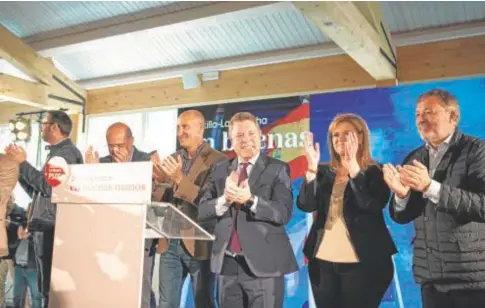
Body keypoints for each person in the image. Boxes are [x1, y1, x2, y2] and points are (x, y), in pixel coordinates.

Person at [383, 89, 485, 308]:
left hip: (473, 282)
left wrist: (430, 186)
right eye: (418, 114)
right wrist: (401, 195)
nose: (421, 119)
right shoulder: (415, 157)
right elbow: (402, 217)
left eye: (429, 112)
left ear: (453, 116)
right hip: (431, 281)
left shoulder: (477, 151)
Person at [198, 112, 298, 308]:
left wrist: (251, 200)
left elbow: (283, 212)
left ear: (260, 135)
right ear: (231, 140)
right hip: (227, 266)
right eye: (240, 136)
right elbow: (203, 211)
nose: (246, 140)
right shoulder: (219, 170)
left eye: (251, 134)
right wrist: (225, 199)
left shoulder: (277, 168)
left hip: (264, 266)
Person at [297, 114, 397, 308]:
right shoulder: (324, 172)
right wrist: (311, 168)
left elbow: (371, 204)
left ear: (360, 137)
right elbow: (306, 205)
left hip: (364, 264)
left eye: (347, 134)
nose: (340, 139)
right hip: (323, 264)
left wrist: (353, 168)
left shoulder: (376, 171)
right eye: (336, 135)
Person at [4, 110, 84, 307]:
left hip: (52, 227)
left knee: (50, 287)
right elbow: (39, 194)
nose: (42, 127)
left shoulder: (66, 154)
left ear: (55, 127)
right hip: (45, 226)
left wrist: (23, 163)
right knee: (45, 286)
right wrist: (19, 168)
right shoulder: (57, 154)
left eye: (44, 123)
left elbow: (48, 187)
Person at [151, 110, 226, 308]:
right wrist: (158, 181)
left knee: (204, 302)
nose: (180, 132)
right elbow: (161, 200)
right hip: (170, 243)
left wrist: (178, 179)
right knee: (166, 303)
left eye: (185, 127)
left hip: (200, 244)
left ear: (201, 129)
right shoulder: (173, 158)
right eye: (178, 127)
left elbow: (210, 201)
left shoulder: (218, 161)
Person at [85, 122, 156, 308]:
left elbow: (150, 196)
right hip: (110, 237)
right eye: (111, 146)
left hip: (139, 237)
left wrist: (126, 169)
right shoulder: (103, 163)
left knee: (141, 291)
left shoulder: (147, 160)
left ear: (131, 141)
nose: (115, 150)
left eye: (120, 145)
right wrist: (90, 174)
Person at [13, 203, 41, 308]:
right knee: (17, 296)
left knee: (36, 297)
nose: (30, 212)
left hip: (32, 268)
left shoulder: (38, 227)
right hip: (19, 267)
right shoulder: (21, 225)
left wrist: (30, 235)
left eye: (32, 210)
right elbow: (13, 241)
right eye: (28, 210)